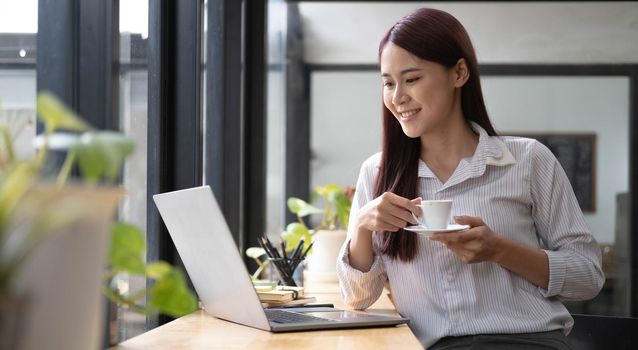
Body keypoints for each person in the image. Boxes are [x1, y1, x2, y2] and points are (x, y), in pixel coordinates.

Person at [336, 8, 604, 350]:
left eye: (412, 78)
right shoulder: (377, 173)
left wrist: (500, 250)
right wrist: (361, 227)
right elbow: (356, 300)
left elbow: (589, 277)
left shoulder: (528, 160)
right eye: (388, 82)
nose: (397, 96)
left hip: (529, 342)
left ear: (459, 73)